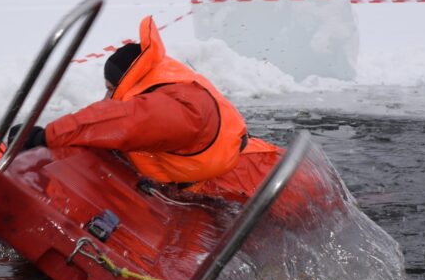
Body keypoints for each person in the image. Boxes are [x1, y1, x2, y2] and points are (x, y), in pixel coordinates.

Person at [15, 15, 282, 201]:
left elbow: (125, 122)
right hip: (245, 180)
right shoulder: (168, 91)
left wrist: (47, 136)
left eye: (111, 88)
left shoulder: (180, 103)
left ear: (128, 82)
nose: (108, 97)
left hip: (259, 183)